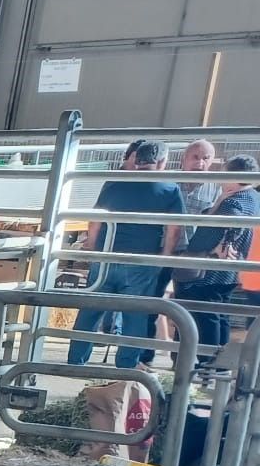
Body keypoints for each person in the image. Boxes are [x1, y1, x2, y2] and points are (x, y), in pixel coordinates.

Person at [68, 138, 187, 369]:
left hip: (106, 257)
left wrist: (92, 247)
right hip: (140, 261)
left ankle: (75, 361)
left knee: (90, 310)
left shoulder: (115, 182)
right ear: (162, 162)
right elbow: (175, 229)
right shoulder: (170, 188)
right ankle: (126, 366)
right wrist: (164, 256)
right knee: (136, 315)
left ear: (137, 159)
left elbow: (96, 220)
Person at [174, 154, 259, 356]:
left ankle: (206, 361)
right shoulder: (252, 197)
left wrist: (224, 243)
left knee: (205, 316)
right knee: (219, 314)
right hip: (230, 269)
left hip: (208, 270)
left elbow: (233, 220)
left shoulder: (234, 203)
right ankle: (218, 363)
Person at [179, 138, 221, 215]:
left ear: (211, 161)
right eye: (195, 157)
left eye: (205, 158)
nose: (200, 163)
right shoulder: (168, 181)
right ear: (183, 158)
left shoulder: (217, 187)